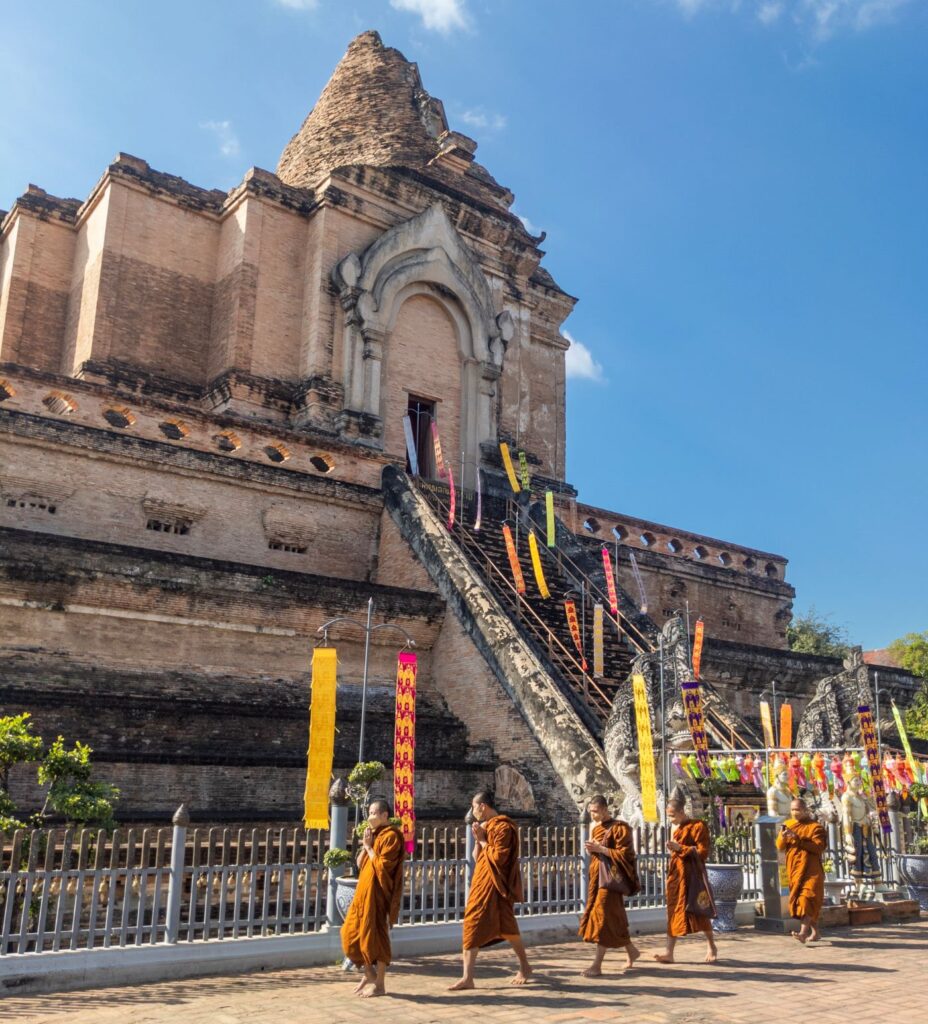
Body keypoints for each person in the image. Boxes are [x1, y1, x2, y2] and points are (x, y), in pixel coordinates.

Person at [449, 789, 532, 990]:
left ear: (483, 806)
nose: (472, 811)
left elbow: (499, 858)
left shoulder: (503, 827)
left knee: (507, 927)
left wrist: (484, 839)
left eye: (474, 807)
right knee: (471, 924)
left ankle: (524, 965)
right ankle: (468, 977)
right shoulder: (486, 826)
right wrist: (479, 839)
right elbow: (478, 857)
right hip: (483, 880)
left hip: (498, 883)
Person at [340, 798, 405, 998]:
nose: (370, 816)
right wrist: (364, 845)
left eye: (374, 813)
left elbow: (384, 868)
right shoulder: (374, 835)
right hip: (364, 893)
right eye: (369, 812)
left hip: (378, 894)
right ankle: (369, 973)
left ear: (385, 815)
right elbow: (361, 864)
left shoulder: (392, 836)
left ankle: (380, 984)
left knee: (377, 937)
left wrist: (370, 847)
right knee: (350, 934)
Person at [578, 795, 641, 976]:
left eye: (596, 812)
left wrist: (602, 849)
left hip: (611, 881)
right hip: (598, 878)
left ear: (606, 809)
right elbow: (599, 852)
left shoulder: (620, 828)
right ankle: (632, 951)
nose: (594, 816)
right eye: (591, 812)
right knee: (615, 918)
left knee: (603, 919)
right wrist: (593, 849)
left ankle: (597, 965)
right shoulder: (596, 828)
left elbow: (627, 855)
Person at [654, 797, 718, 964]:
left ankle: (711, 945)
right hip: (676, 875)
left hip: (692, 876)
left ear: (682, 812)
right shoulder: (673, 827)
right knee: (673, 912)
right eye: (668, 816)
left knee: (699, 911)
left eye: (673, 815)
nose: (671, 819)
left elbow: (703, 852)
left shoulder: (697, 826)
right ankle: (669, 953)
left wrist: (680, 848)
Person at [776, 797, 827, 943]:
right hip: (795, 870)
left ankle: (803, 933)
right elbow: (779, 846)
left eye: (797, 810)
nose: (794, 813)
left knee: (807, 899)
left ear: (805, 810)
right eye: (792, 809)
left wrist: (798, 839)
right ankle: (816, 932)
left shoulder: (815, 827)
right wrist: (784, 837)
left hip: (812, 871)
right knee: (802, 902)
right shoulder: (788, 824)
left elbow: (819, 847)